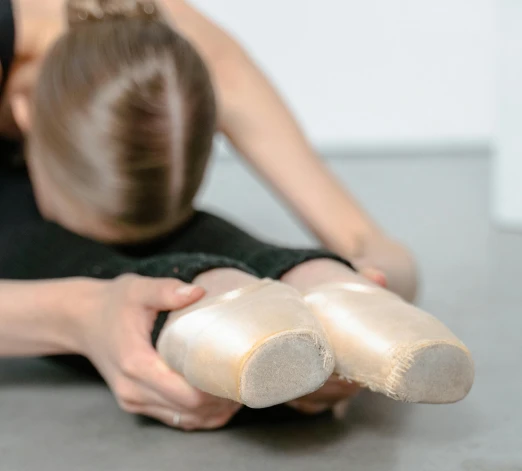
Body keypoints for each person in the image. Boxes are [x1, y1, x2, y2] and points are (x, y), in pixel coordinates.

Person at [0, 0, 472, 430]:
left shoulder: (176, 57)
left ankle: (275, 295)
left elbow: (368, 245)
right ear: (23, 112)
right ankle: (248, 294)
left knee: (176, 247)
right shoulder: (192, 49)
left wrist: (370, 281)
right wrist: (79, 317)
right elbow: (369, 236)